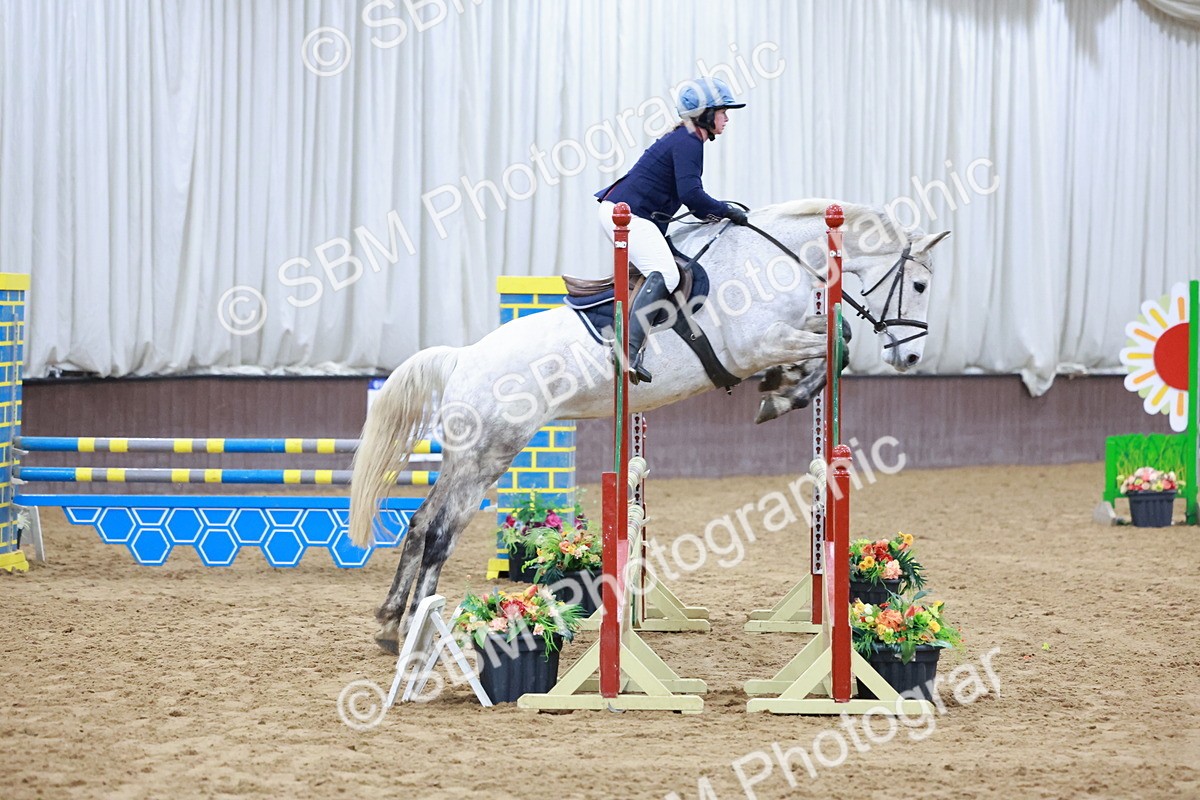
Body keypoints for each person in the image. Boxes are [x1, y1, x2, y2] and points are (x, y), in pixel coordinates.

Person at [594, 76, 750, 384]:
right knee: (667, 274)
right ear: (706, 114)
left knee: (672, 267)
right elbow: (692, 195)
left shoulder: (687, 138)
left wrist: (713, 212)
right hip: (628, 216)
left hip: (632, 214)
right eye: (723, 111)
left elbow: (691, 199)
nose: (727, 118)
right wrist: (725, 210)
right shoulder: (689, 141)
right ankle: (627, 350)